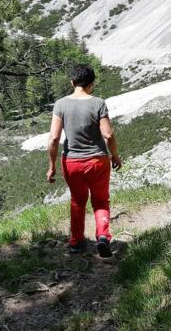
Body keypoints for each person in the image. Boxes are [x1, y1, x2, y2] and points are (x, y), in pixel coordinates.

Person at [47, 65, 122, 257]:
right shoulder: (98, 103)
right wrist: (115, 155)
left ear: (72, 83)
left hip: (71, 162)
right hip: (97, 160)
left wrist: (51, 166)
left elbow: (54, 138)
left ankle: (76, 242)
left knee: (77, 201)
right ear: (92, 83)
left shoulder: (61, 104)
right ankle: (103, 237)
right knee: (100, 200)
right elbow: (108, 134)